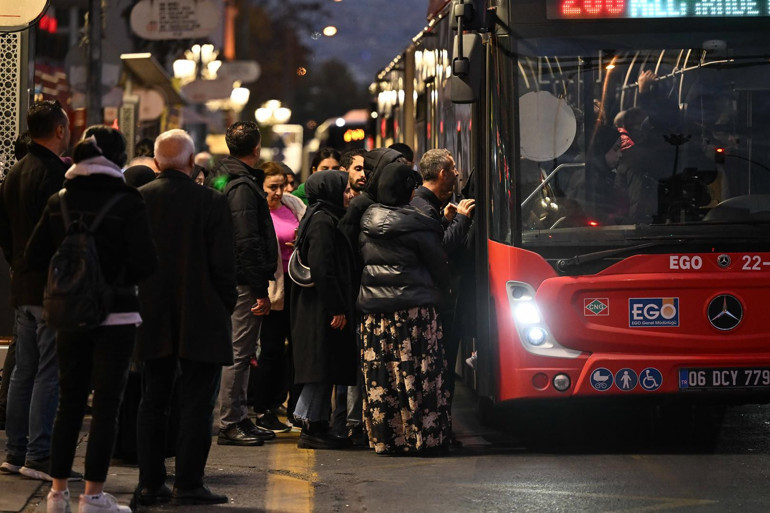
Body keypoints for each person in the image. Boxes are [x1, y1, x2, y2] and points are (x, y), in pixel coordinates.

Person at [24, 126, 157, 513]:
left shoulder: (59, 201)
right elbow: (146, 263)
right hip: (116, 317)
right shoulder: (128, 201)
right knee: (106, 407)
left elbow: (32, 258)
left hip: (68, 317)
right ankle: (93, 497)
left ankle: (57, 494)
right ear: (118, 159)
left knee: (69, 403)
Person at [134, 129, 236, 507]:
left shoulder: (139, 200)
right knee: (197, 403)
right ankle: (189, 482)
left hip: (152, 313)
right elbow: (225, 265)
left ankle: (150, 483)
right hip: (203, 313)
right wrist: (222, 305)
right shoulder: (211, 202)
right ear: (193, 163)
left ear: (157, 163)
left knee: (153, 400)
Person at [358, 162, 451, 455]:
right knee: (418, 372)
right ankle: (422, 435)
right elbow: (440, 265)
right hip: (414, 312)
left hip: (376, 314)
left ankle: (387, 437)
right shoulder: (419, 223)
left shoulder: (367, 221)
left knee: (383, 374)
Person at [0, 100, 71, 480]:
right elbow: (60, 236)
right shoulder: (54, 175)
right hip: (48, 288)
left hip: (23, 285)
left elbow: (4, 233)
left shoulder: (15, 172)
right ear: (60, 130)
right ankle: (39, 455)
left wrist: (18, 264)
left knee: (22, 371)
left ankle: (15, 451)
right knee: (47, 370)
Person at [210, 121, 278, 446]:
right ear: (256, 148)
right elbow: (247, 239)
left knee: (243, 350)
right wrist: (260, 288)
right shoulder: (242, 185)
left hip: (227, 277)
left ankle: (239, 417)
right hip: (242, 282)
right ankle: (230, 422)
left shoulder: (221, 176)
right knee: (240, 352)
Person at [412, 149, 475, 446]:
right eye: (452, 169)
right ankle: (441, 430)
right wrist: (460, 220)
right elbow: (441, 250)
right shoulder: (422, 205)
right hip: (438, 300)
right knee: (442, 367)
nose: (457, 174)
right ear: (441, 174)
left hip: (438, 297)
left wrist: (446, 218)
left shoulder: (429, 205)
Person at [290, 170, 357, 450]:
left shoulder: (320, 216)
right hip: (320, 309)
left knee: (323, 367)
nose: (349, 194)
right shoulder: (322, 222)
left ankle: (316, 424)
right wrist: (337, 308)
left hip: (317, 308)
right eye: (345, 190)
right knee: (320, 367)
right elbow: (322, 269)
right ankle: (311, 426)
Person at [248, 161, 305, 433]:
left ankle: (296, 409)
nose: (279, 192)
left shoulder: (294, 205)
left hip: (298, 284)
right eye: (273, 187)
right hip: (272, 288)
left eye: (282, 186)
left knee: (298, 351)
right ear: (261, 186)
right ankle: (264, 409)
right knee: (270, 350)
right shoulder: (257, 211)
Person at [0, 131, 32, 431]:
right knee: (25, 349)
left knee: (21, 344)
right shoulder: (32, 178)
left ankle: (6, 407)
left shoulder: (10, 180)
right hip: (31, 276)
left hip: (19, 271)